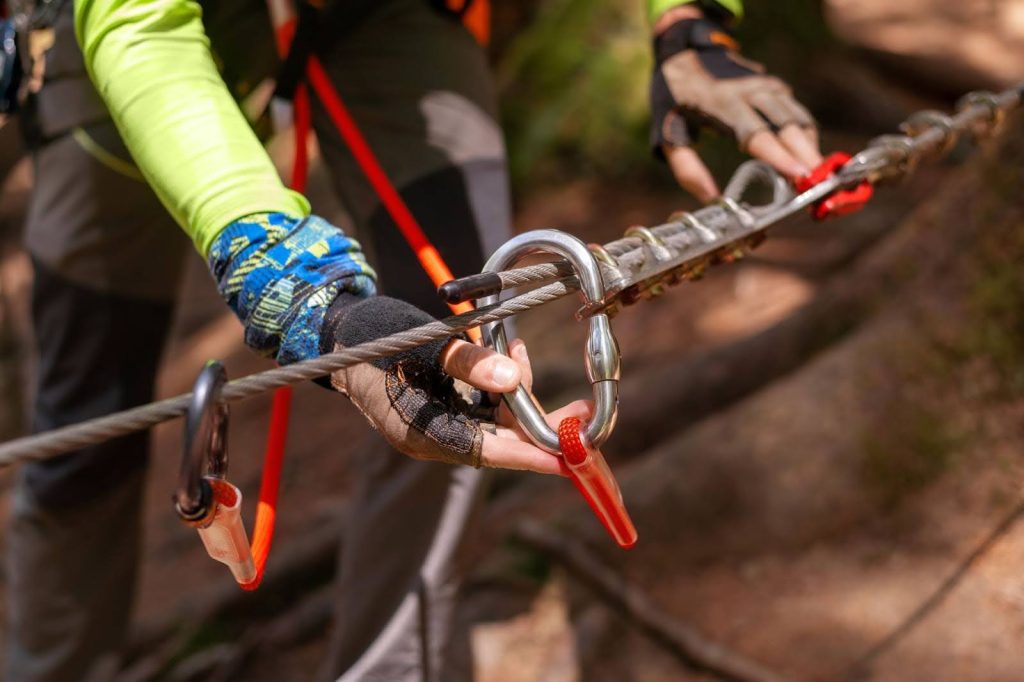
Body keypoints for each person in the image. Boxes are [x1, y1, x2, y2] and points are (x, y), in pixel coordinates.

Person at [3, 0, 820, 680]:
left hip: (387, 16)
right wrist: (295, 287)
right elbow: (140, 26)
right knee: (89, 427)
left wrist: (687, 22)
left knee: (456, 372)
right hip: (128, 45)